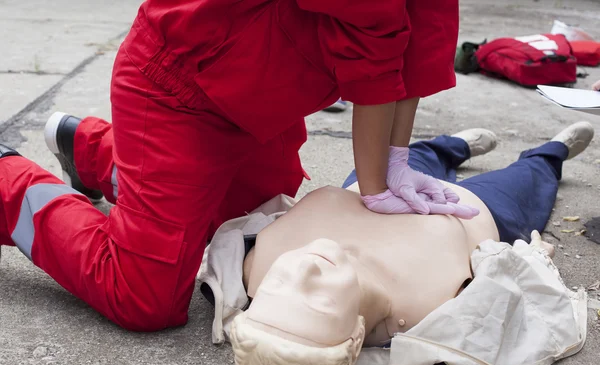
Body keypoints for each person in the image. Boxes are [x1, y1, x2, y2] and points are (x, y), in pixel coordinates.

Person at [0, 0, 465, 331]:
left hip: (257, 104)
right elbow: (374, 45)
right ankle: (8, 182)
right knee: (144, 296)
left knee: (257, 232)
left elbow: (418, 42)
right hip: (177, 88)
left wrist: (396, 160)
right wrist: (376, 182)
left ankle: (92, 149)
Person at [226, 122, 594, 365]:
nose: (304, 269)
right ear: (355, 339)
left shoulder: (253, 267)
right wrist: (534, 261)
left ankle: (451, 147)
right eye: (317, 300)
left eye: (278, 284)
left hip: (374, 185)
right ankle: (549, 153)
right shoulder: (431, 317)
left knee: (415, 152)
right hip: (480, 209)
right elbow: (515, 303)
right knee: (529, 179)